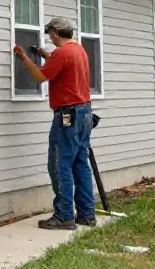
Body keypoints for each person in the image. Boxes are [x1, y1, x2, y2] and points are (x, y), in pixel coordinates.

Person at [13, 16, 95, 230]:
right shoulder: (78, 50)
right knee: (80, 164)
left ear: (56, 33)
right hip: (84, 113)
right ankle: (87, 214)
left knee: (59, 164)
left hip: (67, 116)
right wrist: (45, 55)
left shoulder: (61, 53)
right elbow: (63, 66)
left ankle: (64, 215)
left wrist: (24, 58)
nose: (49, 36)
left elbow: (40, 76)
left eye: (50, 32)